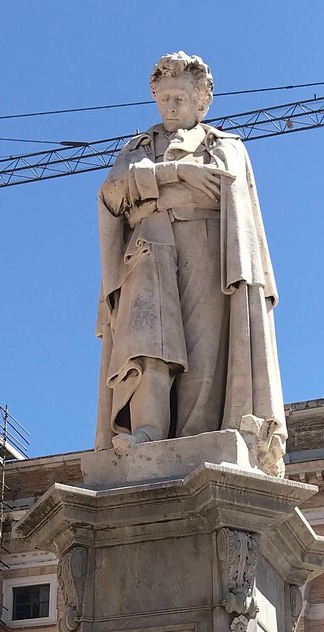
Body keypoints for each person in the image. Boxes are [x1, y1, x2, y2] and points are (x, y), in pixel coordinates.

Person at [95, 52, 285, 452]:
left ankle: (197, 438)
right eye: (163, 98)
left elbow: (225, 190)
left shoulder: (224, 145)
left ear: (202, 102)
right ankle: (147, 430)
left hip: (206, 245)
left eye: (179, 98)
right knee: (146, 343)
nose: (169, 106)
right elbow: (112, 194)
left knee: (204, 348)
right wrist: (177, 174)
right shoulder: (136, 147)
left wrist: (146, 184)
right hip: (147, 247)